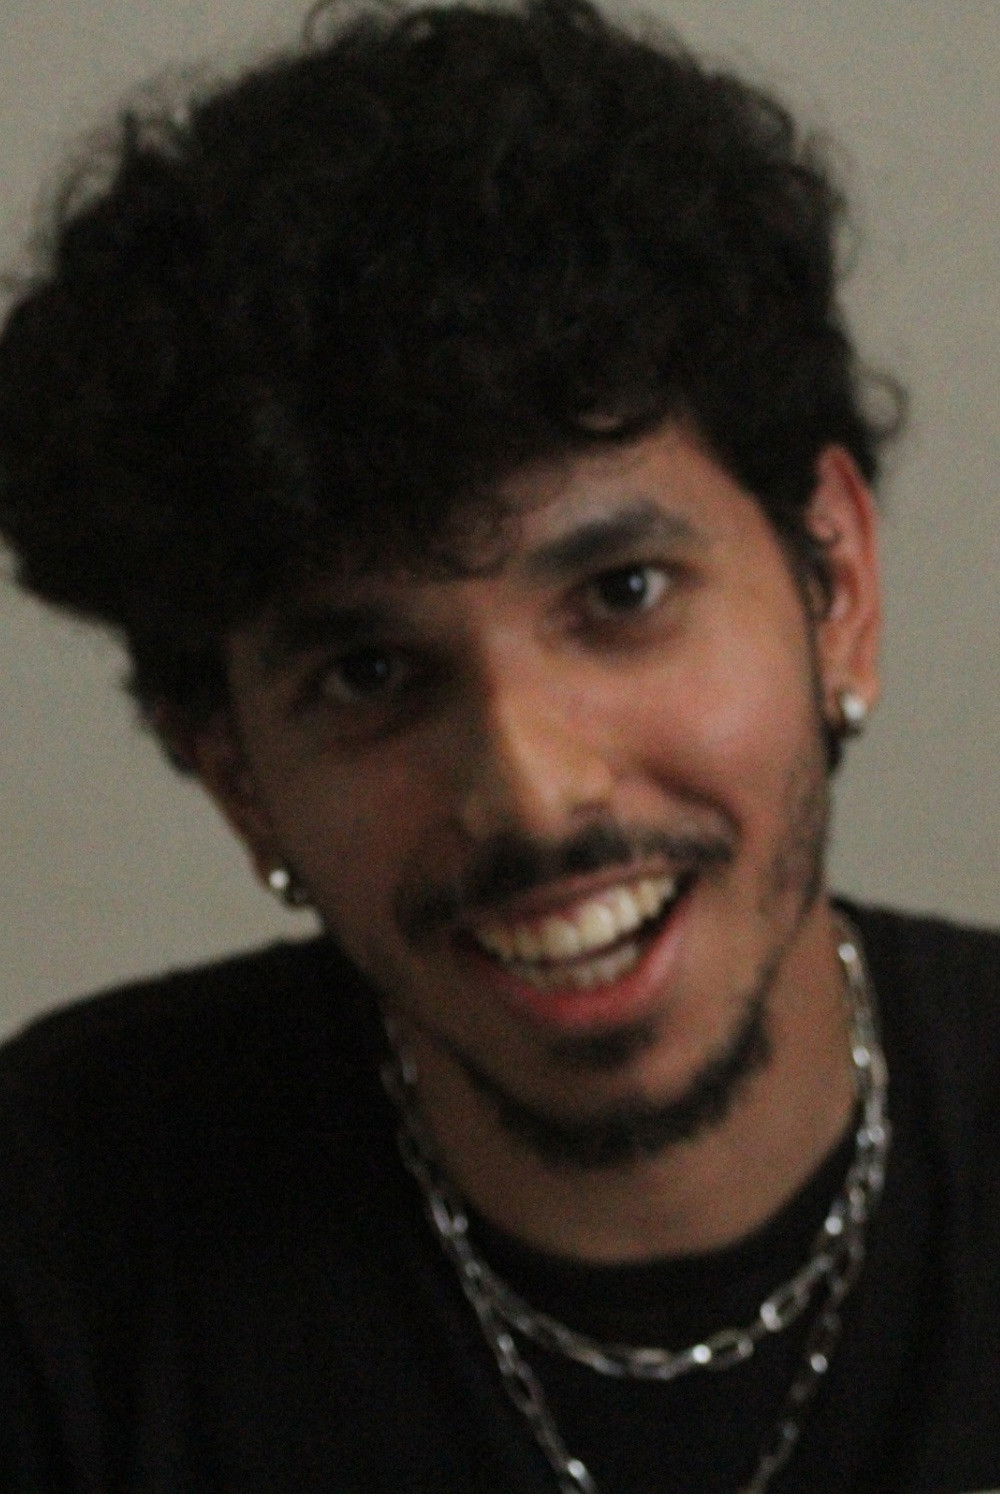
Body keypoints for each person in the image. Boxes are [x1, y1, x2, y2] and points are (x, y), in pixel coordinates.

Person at [0, 0, 997, 1490]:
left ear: (834, 587)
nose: (532, 796)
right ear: (237, 777)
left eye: (622, 595)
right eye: (370, 674)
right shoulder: (60, 1233)